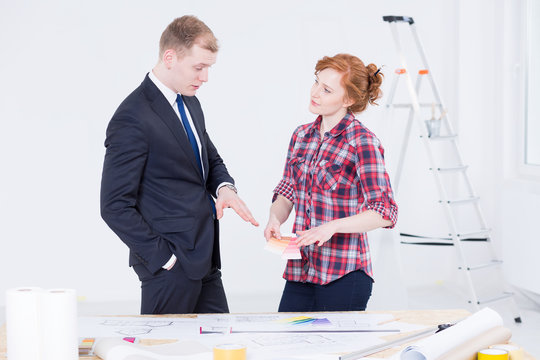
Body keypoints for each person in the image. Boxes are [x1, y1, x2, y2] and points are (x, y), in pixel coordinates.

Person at [101, 15, 259, 315]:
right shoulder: (132, 117)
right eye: (199, 68)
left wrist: (225, 188)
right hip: (170, 267)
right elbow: (113, 206)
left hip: (205, 258)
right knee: (164, 350)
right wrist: (164, 259)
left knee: (220, 345)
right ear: (170, 57)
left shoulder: (189, 101)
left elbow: (208, 157)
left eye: (208, 68)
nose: (205, 78)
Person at [264, 53, 398, 312]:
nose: (315, 92)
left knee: (333, 352)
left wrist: (332, 227)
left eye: (326, 89)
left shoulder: (363, 142)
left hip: (344, 276)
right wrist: (275, 219)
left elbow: (385, 212)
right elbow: (288, 189)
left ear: (348, 99)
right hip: (300, 271)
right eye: (316, 83)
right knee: (287, 346)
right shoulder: (301, 136)